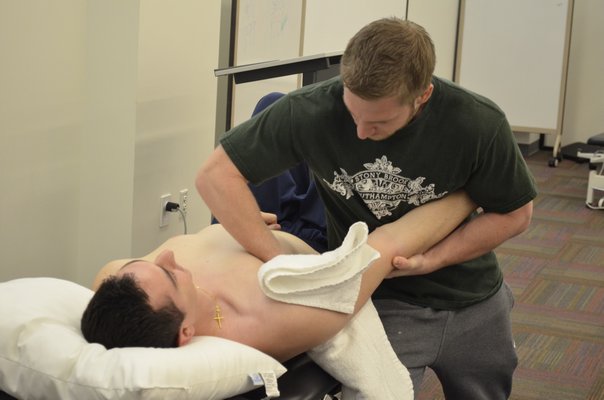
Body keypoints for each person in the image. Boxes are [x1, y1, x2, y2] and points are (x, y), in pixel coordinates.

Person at [196, 17, 536, 399]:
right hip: (381, 303)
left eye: (378, 122)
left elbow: (515, 214)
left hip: (472, 298)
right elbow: (215, 176)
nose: (359, 132)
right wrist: (278, 260)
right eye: (352, 112)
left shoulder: (477, 124)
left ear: (422, 96)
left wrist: (434, 259)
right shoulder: (309, 112)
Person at [81, 190, 473, 362]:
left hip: (251, 222)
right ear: (185, 333)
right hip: (316, 234)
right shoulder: (264, 320)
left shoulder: (117, 285)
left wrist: (240, 227)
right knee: (338, 137)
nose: (167, 252)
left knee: (268, 108)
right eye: (170, 275)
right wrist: (478, 189)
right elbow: (386, 248)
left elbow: (108, 278)